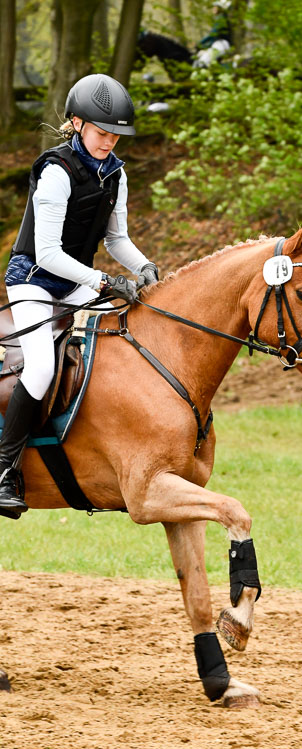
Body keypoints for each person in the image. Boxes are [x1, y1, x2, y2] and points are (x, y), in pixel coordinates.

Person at [0, 73, 159, 516]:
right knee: (41, 369)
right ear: (77, 123)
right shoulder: (56, 171)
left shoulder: (115, 173)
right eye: (102, 132)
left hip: (75, 284)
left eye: (116, 135)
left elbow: (116, 240)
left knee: (131, 338)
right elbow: (48, 252)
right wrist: (104, 283)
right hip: (34, 281)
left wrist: (143, 268)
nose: (109, 141)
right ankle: (4, 469)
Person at [193, 0, 233, 68]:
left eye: (215, 7)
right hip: (218, 44)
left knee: (202, 62)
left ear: (220, 9)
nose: (213, 8)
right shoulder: (219, 19)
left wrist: (200, 44)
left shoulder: (221, 20)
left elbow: (213, 35)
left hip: (221, 44)